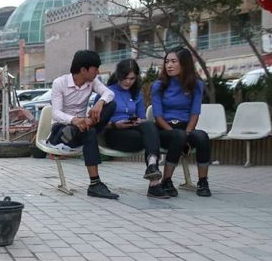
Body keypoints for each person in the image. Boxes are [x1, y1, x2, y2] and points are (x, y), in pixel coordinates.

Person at [48, 50, 119, 199]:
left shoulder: (92, 81)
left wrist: (100, 102)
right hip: (62, 128)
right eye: (95, 68)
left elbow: (109, 94)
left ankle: (95, 184)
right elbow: (56, 113)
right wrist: (75, 120)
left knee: (111, 105)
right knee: (86, 131)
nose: (98, 72)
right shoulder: (59, 83)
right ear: (83, 70)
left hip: (85, 126)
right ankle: (95, 184)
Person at [151, 47, 212, 197]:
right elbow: (157, 116)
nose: (169, 65)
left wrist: (187, 133)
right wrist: (178, 135)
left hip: (186, 128)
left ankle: (203, 182)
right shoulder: (158, 86)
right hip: (164, 129)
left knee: (202, 137)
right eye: (167, 62)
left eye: (173, 61)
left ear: (184, 64)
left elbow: (195, 113)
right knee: (178, 136)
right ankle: (166, 181)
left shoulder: (196, 84)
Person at [101, 60, 166, 197]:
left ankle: (152, 167)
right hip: (113, 133)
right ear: (118, 76)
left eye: (132, 78)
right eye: (124, 78)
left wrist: (135, 121)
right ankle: (154, 178)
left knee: (149, 125)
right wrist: (115, 124)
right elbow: (97, 122)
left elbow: (142, 118)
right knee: (150, 137)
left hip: (131, 130)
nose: (128, 82)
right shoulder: (107, 92)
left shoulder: (137, 93)